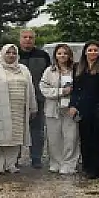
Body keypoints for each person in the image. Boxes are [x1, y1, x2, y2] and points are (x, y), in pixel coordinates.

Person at [0, 44, 38, 174]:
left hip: (18, 110)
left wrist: (32, 107)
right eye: (8, 53)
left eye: (14, 53)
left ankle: (10, 164)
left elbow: (31, 89)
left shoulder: (23, 69)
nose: (11, 55)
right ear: (2, 54)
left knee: (15, 138)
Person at [70, 42, 99, 179]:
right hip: (84, 107)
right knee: (85, 138)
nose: (93, 52)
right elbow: (75, 89)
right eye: (90, 50)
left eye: (95, 50)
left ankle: (97, 169)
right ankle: (87, 167)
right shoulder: (77, 67)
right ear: (85, 52)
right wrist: (73, 105)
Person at [39, 43, 81, 174]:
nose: (62, 56)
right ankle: (56, 163)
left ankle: (69, 164)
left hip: (70, 109)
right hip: (53, 109)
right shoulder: (49, 71)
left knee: (71, 138)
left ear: (69, 55)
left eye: (65, 53)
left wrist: (75, 104)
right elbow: (44, 89)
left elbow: (81, 90)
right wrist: (61, 91)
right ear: (55, 56)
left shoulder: (76, 70)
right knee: (54, 138)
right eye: (59, 53)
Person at [17, 29, 52, 168]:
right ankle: (14, 158)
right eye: (25, 37)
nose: (28, 39)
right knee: (17, 129)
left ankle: (36, 158)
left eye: (31, 37)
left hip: (38, 98)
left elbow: (49, 75)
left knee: (37, 130)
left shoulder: (43, 55)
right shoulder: (13, 53)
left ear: (35, 39)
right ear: (20, 39)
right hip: (17, 98)